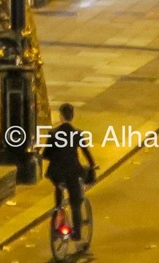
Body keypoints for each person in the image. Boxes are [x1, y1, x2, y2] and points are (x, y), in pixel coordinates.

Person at [42, 101, 98, 244]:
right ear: (72, 116)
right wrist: (93, 165)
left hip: (56, 173)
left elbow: (46, 154)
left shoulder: (53, 134)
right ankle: (77, 233)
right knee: (75, 202)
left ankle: (58, 211)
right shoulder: (77, 134)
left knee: (58, 188)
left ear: (60, 116)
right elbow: (86, 153)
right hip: (72, 172)